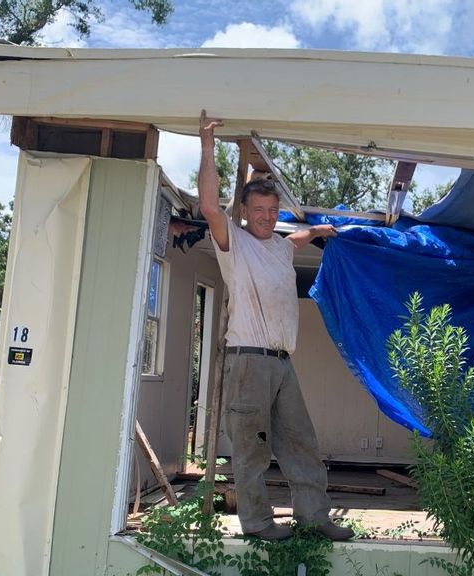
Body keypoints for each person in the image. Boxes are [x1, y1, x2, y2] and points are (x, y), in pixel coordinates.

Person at [197, 111, 353, 542]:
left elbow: (297, 239)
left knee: (301, 440)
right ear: (244, 211)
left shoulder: (281, 249)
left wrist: (320, 229)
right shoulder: (235, 244)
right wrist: (207, 147)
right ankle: (258, 524)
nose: (266, 216)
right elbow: (210, 206)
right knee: (251, 448)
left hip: (282, 363)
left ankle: (314, 517)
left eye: (272, 209)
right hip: (247, 361)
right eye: (258, 209)